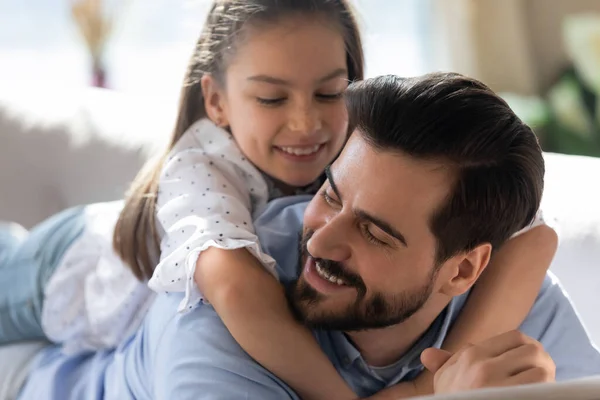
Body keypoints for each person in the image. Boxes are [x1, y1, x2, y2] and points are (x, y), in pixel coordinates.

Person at [0, 0, 556, 397]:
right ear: (216, 103)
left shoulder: (368, 153)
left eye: (329, 93)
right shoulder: (201, 174)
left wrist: (438, 377)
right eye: (271, 97)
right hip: (60, 272)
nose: (305, 121)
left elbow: (536, 240)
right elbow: (241, 294)